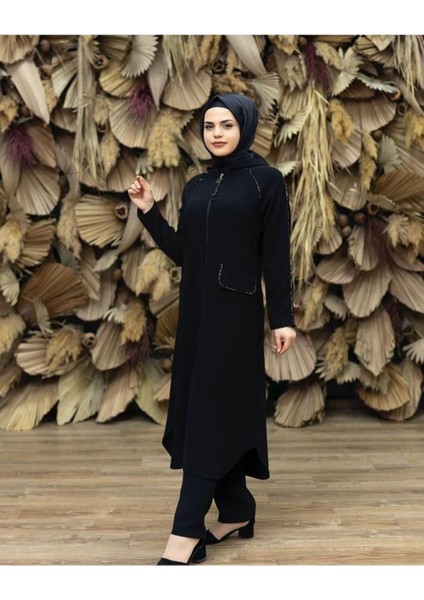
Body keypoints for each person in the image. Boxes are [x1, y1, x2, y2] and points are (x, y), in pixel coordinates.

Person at [128, 92, 296, 565]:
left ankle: (185, 532)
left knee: (207, 414)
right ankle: (237, 509)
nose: (216, 133)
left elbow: (276, 255)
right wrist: (149, 210)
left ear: (245, 127)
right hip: (197, 317)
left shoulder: (266, 181)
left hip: (236, 318)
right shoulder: (198, 186)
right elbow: (184, 252)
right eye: (209, 126)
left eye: (226, 125)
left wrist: (282, 318)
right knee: (207, 409)